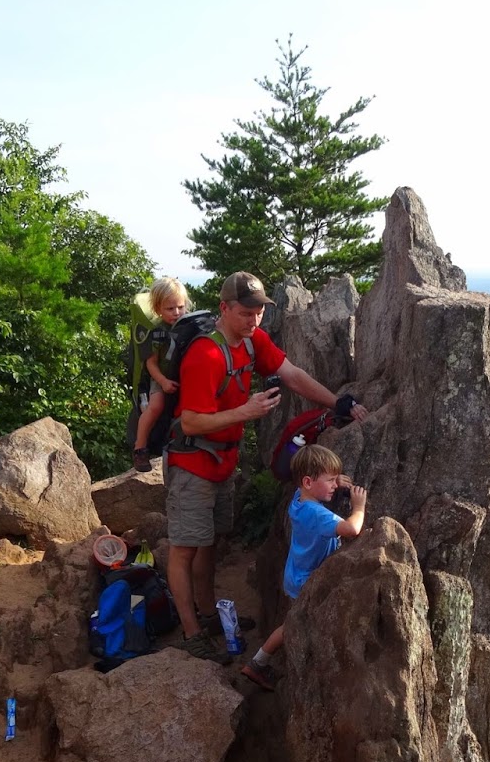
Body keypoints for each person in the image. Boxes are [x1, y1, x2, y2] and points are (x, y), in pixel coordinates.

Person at [165, 270, 368, 663]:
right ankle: (191, 633)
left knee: (211, 541)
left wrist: (336, 403)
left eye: (259, 312)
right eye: (245, 312)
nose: (255, 320)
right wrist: (246, 410)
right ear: (224, 309)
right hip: (192, 462)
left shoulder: (253, 340)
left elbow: (292, 375)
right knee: (185, 548)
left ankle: (209, 616)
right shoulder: (205, 355)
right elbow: (190, 420)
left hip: (222, 460)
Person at [242, 444, 367, 690]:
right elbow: (352, 529)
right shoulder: (316, 514)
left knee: (291, 622)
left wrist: (334, 480)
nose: (334, 484)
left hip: (295, 574)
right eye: (330, 480)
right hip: (308, 580)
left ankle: (258, 662)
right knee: (298, 624)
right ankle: (265, 665)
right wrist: (359, 507)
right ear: (309, 481)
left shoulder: (298, 500)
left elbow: (314, 489)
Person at [130, 276, 190, 473]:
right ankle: (140, 448)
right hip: (161, 376)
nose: (176, 312)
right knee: (156, 406)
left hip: (182, 374)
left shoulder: (188, 325)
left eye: (180, 307)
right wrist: (163, 382)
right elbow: (151, 363)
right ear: (158, 309)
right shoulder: (157, 332)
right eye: (170, 309)